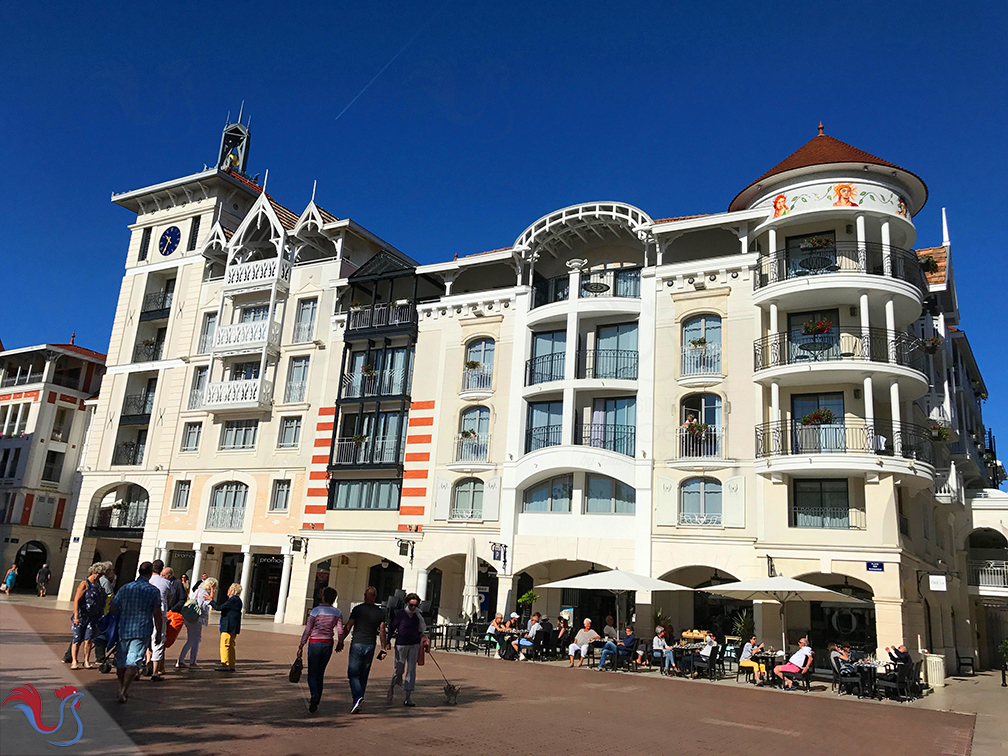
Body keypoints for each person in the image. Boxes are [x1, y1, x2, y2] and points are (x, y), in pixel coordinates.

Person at [108, 561, 163, 704]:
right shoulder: (153, 591)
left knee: (121, 660)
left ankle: (121, 687)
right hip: (142, 629)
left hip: (124, 628)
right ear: (150, 573)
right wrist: (159, 632)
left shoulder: (126, 588)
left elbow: (113, 608)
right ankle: (124, 690)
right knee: (134, 660)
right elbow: (157, 613)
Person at [341, 586, 387, 713]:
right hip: (370, 645)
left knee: (353, 673)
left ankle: (357, 697)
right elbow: (382, 630)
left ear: (365, 596)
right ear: (375, 597)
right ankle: (358, 700)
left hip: (357, 643)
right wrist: (383, 648)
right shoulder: (380, 612)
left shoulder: (358, 609)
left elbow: (349, 625)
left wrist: (341, 640)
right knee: (363, 674)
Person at [297, 586, 343, 713]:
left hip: (315, 642)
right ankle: (317, 698)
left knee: (312, 672)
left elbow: (308, 629)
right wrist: (340, 642)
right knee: (320, 673)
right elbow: (340, 630)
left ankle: (314, 695)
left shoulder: (316, 611)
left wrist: (302, 644)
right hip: (328, 643)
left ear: (323, 597)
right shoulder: (337, 613)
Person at [384, 592, 428, 707]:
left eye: (415, 605)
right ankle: (391, 687)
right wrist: (387, 642)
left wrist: (424, 640)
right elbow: (392, 628)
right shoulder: (401, 614)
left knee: (411, 670)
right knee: (399, 669)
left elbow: (420, 630)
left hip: (414, 644)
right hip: (401, 645)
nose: (413, 608)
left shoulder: (418, 616)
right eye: (411, 605)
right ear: (406, 603)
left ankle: (408, 697)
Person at [71, 563, 106, 669]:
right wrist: (76, 616)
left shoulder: (98, 585)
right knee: (77, 639)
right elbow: (76, 600)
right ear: (93, 572)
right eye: (98, 574)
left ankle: (86, 660)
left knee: (89, 639)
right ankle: (74, 660)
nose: (99, 577)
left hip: (93, 617)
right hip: (82, 616)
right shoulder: (84, 584)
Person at [176, 577, 216, 668]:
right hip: (196, 618)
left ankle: (182, 660)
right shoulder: (204, 592)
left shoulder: (197, 590)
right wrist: (212, 590)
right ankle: (191, 661)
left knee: (191, 639)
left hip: (190, 617)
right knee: (194, 640)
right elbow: (209, 601)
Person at [146, 560, 171, 680]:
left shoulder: (147, 581)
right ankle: (155, 671)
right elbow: (168, 600)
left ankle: (142, 666)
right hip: (160, 613)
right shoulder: (166, 583)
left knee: (144, 639)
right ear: (162, 569)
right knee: (158, 640)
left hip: (145, 612)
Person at [212, 583, 243, 672]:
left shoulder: (232, 600)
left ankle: (225, 664)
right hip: (234, 626)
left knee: (225, 645)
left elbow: (219, 607)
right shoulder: (238, 600)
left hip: (228, 625)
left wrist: (211, 600)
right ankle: (231, 664)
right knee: (231, 645)